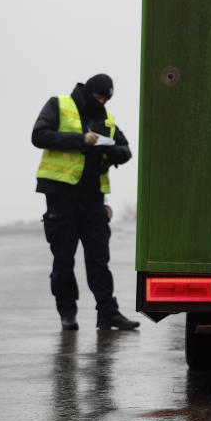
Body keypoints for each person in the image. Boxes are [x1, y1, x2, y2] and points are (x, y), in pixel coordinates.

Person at [32, 74, 139, 331]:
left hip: (94, 200)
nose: (101, 101)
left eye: (106, 98)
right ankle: (67, 314)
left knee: (99, 260)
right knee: (63, 260)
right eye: (99, 96)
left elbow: (125, 151)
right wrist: (80, 140)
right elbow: (39, 136)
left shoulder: (107, 119)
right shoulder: (59, 105)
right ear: (88, 92)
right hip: (62, 198)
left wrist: (107, 149)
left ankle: (108, 314)